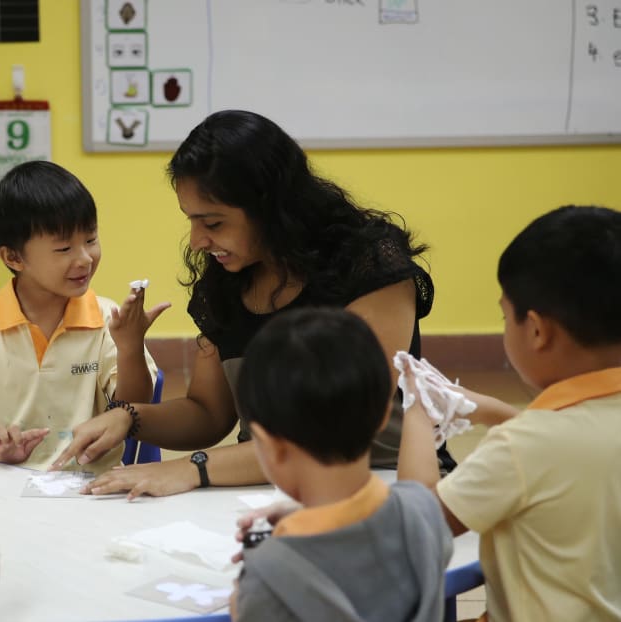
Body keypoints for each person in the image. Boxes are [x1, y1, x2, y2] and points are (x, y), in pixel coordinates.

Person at [53, 109, 438, 496]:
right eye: (191, 220)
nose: (197, 241)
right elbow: (208, 413)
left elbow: (334, 431)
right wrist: (129, 417)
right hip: (268, 485)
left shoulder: (369, 266)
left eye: (214, 223)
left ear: (271, 207)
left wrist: (194, 468)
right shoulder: (229, 279)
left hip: (382, 484)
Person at [398, 205, 621, 621]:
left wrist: (415, 412)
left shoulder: (525, 447)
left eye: (505, 317)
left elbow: (418, 527)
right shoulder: (545, 439)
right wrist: (492, 411)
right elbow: (572, 454)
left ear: (536, 330)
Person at [0, 160, 168, 472]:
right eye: (64, 249)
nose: (85, 258)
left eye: (90, 240)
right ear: (14, 257)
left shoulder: (105, 319)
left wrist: (129, 347)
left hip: (89, 484)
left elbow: (132, 405)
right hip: (7, 482)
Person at [230, 307, 452, 622]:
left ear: (269, 446)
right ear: (381, 419)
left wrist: (241, 607)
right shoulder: (424, 513)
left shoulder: (268, 580)